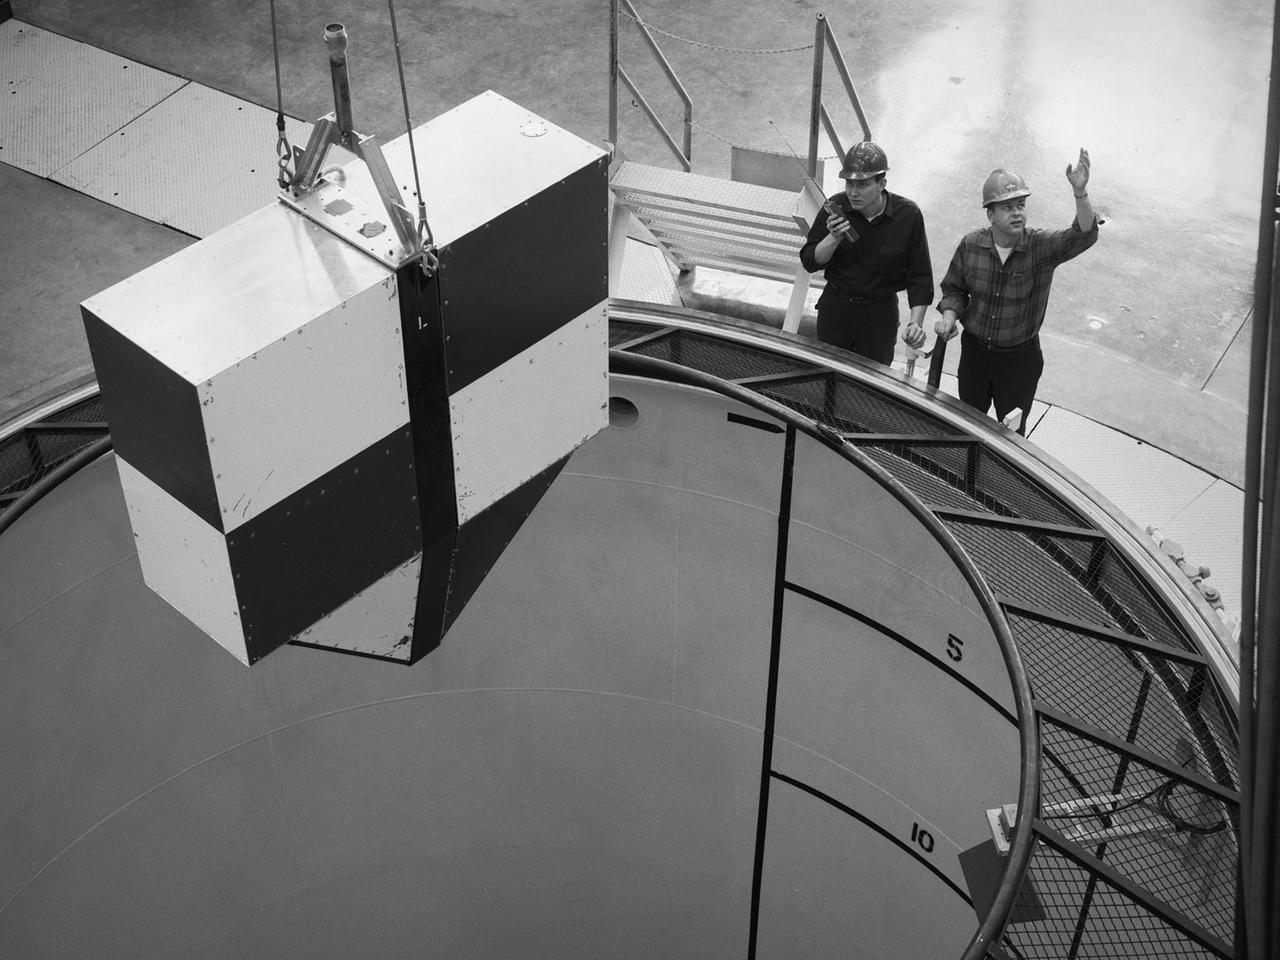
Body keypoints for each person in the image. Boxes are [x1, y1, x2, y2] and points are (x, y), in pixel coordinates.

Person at [934, 149, 1100, 434]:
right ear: (990, 214)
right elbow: (954, 288)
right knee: (968, 426)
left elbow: (1083, 235)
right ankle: (967, 476)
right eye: (1007, 208)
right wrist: (949, 317)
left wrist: (1080, 193)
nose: (1017, 213)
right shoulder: (971, 244)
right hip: (975, 356)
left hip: (1019, 361)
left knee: (1011, 435)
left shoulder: (1040, 247)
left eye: (1020, 205)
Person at [799, 142, 933, 365]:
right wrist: (833, 238)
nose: (853, 192)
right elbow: (810, 261)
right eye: (849, 183)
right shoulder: (835, 207)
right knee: (827, 375)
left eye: (862, 184)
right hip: (836, 307)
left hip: (878, 314)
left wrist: (915, 323)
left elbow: (920, 277)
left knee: (872, 385)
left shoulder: (908, 216)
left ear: (882, 183)